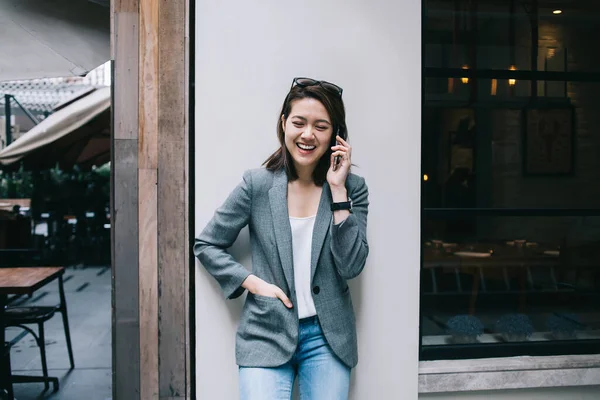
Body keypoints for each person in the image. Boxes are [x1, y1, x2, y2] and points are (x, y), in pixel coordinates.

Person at [194, 77, 369, 400]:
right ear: (284, 123)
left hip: (327, 337)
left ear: (336, 135)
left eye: (321, 126)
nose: (308, 134)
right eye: (299, 122)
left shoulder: (352, 188)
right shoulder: (257, 184)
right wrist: (252, 282)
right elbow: (206, 244)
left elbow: (352, 265)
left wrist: (338, 191)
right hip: (266, 331)